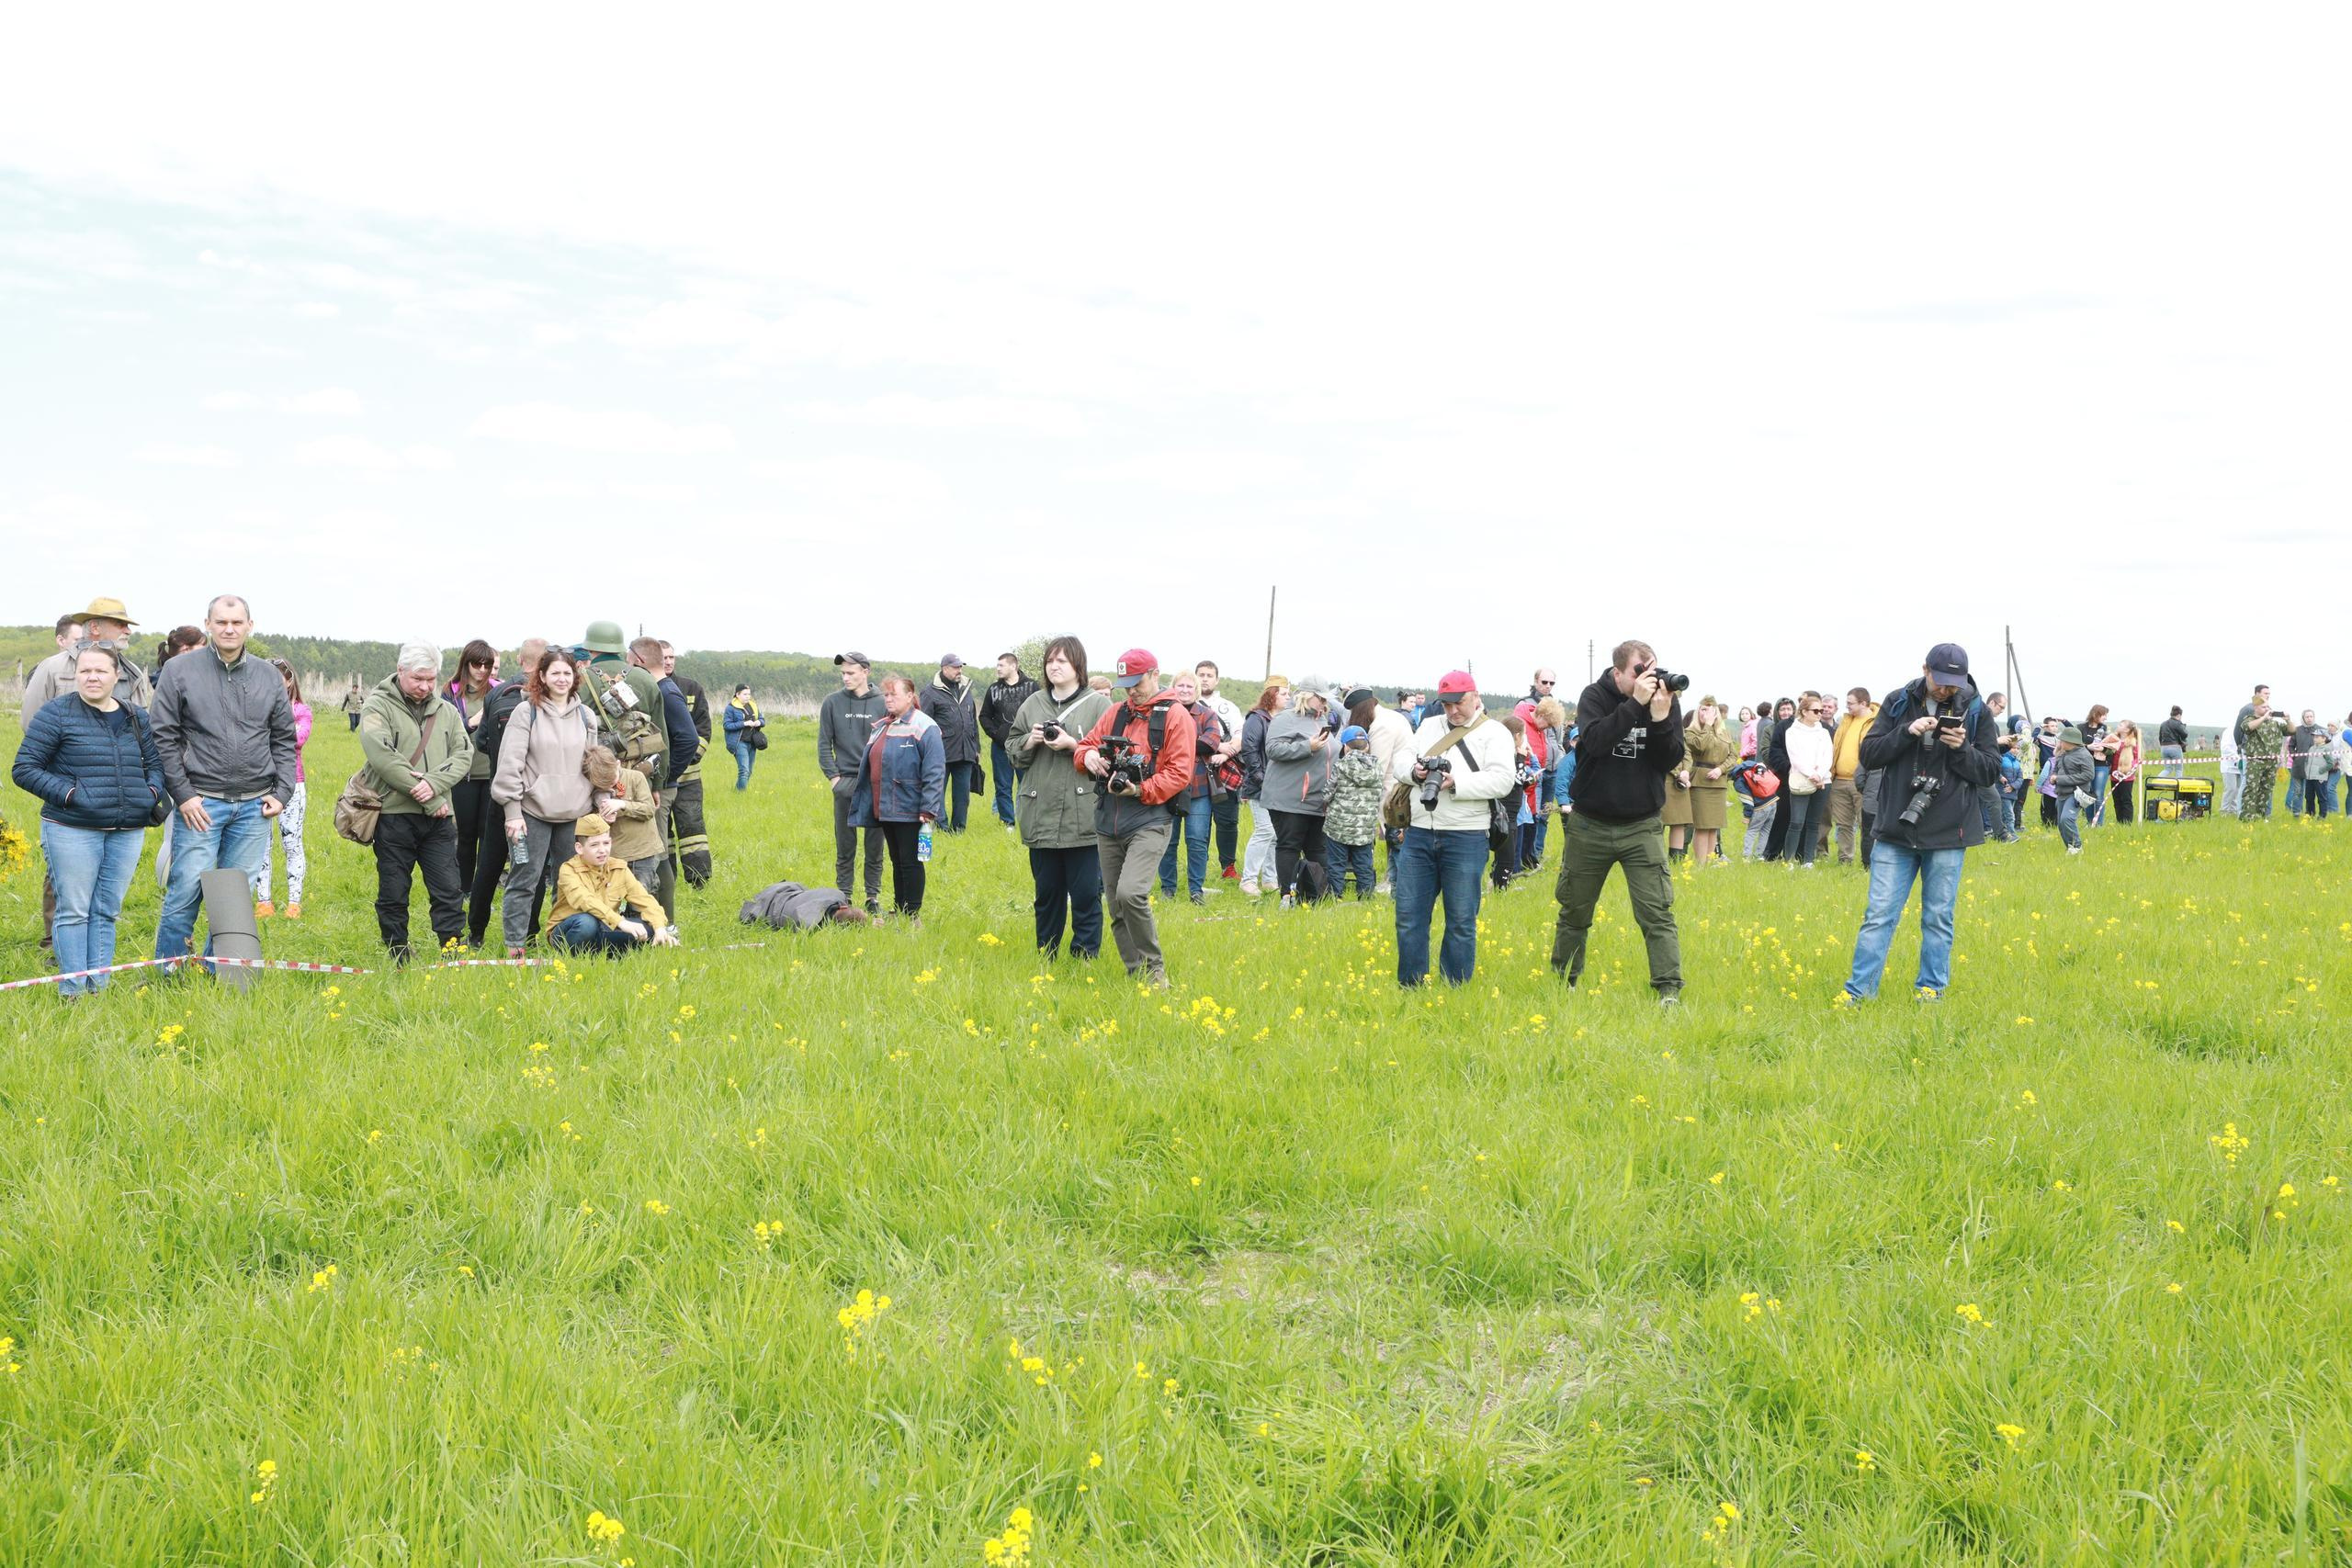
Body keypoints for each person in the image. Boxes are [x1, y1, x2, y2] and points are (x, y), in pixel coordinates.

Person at [1838, 643, 2000, 1003]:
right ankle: (1859, 994)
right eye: (1940, 680)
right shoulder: (1898, 701)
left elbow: (1990, 772)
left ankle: (1930, 992)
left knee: (1938, 918)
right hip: (1895, 829)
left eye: (1953, 683)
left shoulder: (1976, 709)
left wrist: (1961, 748)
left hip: (1949, 832)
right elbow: (1869, 755)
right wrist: (1906, 732)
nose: (1946, 689)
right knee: (1878, 915)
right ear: (1925, 669)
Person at [149, 595, 298, 966]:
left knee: (235, 897)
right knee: (185, 888)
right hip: (201, 802)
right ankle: (170, 971)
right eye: (221, 622)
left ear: (250, 626)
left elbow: (283, 738)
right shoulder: (179, 671)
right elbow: (163, 736)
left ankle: (220, 971)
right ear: (208, 625)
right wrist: (184, 795)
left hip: (255, 805)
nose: (229, 629)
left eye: (236, 622)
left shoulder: (268, 676)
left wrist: (282, 792)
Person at [11, 646, 166, 996]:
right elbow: (24, 769)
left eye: (100, 671)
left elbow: (155, 764)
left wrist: (150, 793)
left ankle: (98, 987)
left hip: (126, 830)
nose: (92, 677)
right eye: (85, 671)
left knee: (107, 910)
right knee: (74, 911)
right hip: (72, 829)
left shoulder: (135, 716)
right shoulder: (57, 714)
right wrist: (71, 795)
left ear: (116, 676)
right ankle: (73, 990)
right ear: (76, 675)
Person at [1552, 641, 1684, 1004]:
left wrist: (1660, 718)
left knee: (1656, 911)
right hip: (1590, 823)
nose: (1648, 679)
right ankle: (1564, 982)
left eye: (1652, 670)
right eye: (1639, 672)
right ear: (1618, 673)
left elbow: (1669, 759)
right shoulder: (1594, 696)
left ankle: (1669, 989)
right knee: (1575, 909)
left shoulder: (1665, 700)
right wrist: (1635, 705)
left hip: (1642, 825)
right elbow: (1595, 742)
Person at [1074, 649, 1195, 987]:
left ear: (1155, 675)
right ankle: (1136, 973)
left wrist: (1139, 789)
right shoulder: (1115, 712)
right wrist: (1089, 757)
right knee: (1115, 904)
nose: (1131, 690)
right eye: (1125, 684)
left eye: (1137, 682)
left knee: (1131, 894)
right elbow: (1084, 746)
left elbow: (1180, 772)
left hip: (1150, 817)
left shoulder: (1175, 716)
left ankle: (1155, 971)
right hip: (1108, 819)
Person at [1391, 670, 1516, 986]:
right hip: (1419, 832)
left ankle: (1454, 988)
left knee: (1461, 919)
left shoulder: (1495, 732)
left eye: (1459, 702)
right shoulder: (1429, 725)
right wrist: (1416, 773)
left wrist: (1456, 782)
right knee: (1408, 917)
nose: (1452, 710)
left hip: (1466, 835)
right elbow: (1400, 760)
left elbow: (1503, 780)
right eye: (1446, 704)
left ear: (1475, 697)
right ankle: (1410, 986)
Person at [357, 642, 474, 961]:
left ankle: (453, 953)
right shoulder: (377, 707)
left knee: (448, 890)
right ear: (400, 671)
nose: (424, 686)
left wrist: (434, 786)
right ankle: (398, 954)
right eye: (417, 679)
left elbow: (463, 754)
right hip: (394, 817)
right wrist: (429, 798)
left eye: (430, 679)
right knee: (394, 891)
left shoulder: (447, 711)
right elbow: (384, 758)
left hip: (439, 820)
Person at [1006, 636, 1113, 960]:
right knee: (1047, 894)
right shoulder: (1033, 703)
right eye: (1050, 661)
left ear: (1078, 665)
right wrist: (1031, 740)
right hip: (1040, 813)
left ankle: (1085, 958)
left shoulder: (1098, 705)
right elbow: (1012, 748)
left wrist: (1073, 745)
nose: (1054, 666)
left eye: (1062, 661)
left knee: (1085, 895)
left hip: (1083, 816)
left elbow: (1110, 758)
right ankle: (1046, 955)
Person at [491, 648, 603, 956]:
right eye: (555, 673)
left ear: (575, 676)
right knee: (524, 879)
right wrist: (512, 812)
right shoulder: (526, 712)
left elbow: (595, 765)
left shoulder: (586, 715)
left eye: (567, 673)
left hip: (576, 813)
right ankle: (516, 945)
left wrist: (602, 800)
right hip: (531, 813)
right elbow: (510, 763)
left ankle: (563, 942)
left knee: (569, 883)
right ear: (542, 676)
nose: (562, 679)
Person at [463, 637, 548, 947]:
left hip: (499, 794)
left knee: (488, 865)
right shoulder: (548, 698)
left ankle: (476, 932)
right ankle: (529, 932)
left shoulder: (497, 693)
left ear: (520, 660)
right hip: (534, 798)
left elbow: (482, 741)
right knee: (531, 868)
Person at [850, 675, 946, 925]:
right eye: (886, 695)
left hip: (910, 807)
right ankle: (900, 909)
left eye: (894, 694)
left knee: (910, 862)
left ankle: (912, 914)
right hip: (886, 805)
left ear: (910, 696)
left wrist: (928, 807)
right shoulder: (885, 725)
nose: (888, 699)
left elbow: (935, 770)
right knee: (897, 860)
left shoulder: (925, 726)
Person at [819, 652, 888, 913]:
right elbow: (824, 743)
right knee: (845, 844)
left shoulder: (883, 702)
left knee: (875, 844)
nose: (845, 678)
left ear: (865, 672)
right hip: (845, 782)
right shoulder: (832, 702)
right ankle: (844, 896)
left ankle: (872, 896)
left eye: (851, 673)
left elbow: (891, 741)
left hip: (876, 783)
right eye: (843, 673)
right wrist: (834, 778)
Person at [548, 816, 677, 955]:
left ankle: (598, 955)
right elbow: (585, 900)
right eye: (594, 845)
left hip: (605, 926)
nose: (602, 850)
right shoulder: (568, 870)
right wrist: (621, 922)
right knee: (587, 923)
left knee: (648, 931)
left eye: (606, 843)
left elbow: (645, 900)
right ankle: (572, 955)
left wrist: (659, 927)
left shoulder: (619, 868)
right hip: (570, 929)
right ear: (579, 848)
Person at [639, 637, 706, 901]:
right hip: (666, 779)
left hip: (684, 776)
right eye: (664, 657)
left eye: (671, 657)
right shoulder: (652, 688)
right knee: (662, 837)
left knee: (692, 830)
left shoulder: (688, 688)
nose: (668, 662)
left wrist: (678, 766)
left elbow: (700, 733)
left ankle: (699, 878)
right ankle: (668, 884)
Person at [1261, 687, 1339, 904]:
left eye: (1326, 699)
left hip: (1319, 800)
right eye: (1320, 698)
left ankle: (1319, 896)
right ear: (1306, 695)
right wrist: (1307, 746)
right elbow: (1273, 749)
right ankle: (1288, 896)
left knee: (1318, 848)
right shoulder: (1286, 718)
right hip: (1289, 799)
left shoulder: (1322, 719)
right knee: (1290, 845)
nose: (1324, 703)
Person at [247, 658, 311, 919]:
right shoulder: (254, 708)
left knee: (292, 842)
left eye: (277, 678)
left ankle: (294, 902)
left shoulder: (301, 710)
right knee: (261, 844)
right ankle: (264, 902)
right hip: (261, 783)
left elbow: (297, 739)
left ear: (289, 681)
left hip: (292, 782)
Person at [1156, 671, 1226, 904]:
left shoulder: (1207, 714)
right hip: (1167, 787)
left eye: (1189, 686)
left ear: (1196, 690)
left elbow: (1211, 743)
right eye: (1180, 685)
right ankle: (1168, 889)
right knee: (1168, 841)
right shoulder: (1162, 713)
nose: (1185, 690)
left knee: (1197, 841)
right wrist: (1190, 744)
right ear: (1173, 688)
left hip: (1198, 788)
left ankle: (1196, 890)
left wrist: (1175, 744)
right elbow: (1155, 744)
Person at [22, 598, 153, 714]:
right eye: (120, 624)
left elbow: (140, 725)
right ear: (95, 628)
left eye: (127, 626)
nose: (128, 631)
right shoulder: (52, 667)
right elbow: (32, 722)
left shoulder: (132, 672)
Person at [444, 640, 501, 892]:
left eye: (487, 665)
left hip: (492, 774)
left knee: (487, 836)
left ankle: (482, 890)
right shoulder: (451, 692)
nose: (482, 670)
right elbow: (447, 732)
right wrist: (471, 722)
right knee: (466, 835)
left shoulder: (499, 690)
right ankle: (464, 888)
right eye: (477, 664)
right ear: (466, 664)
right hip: (463, 775)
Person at [1237, 678, 1290, 896]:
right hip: (1260, 784)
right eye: (1284, 693)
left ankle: (1269, 879)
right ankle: (1248, 880)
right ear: (1272, 694)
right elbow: (1249, 749)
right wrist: (1260, 778)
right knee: (1265, 830)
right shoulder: (1256, 718)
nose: (1288, 697)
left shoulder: (1282, 719)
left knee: (1276, 834)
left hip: (1279, 785)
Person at [918, 654, 982, 832]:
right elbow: (924, 723)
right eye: (955, 667)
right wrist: (925, 751)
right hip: (940, 752)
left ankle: (959, 829)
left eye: (960, 667)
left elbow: (972, 720)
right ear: (944, 668)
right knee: (937, 793)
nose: (959, 670)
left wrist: (976, 747)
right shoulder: (930, 692)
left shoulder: (966, 689)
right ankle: (942, 828)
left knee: (963, 796)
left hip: (966, 750)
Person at [1195, 662, 1247, 880]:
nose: (1205, 679)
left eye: (1209, 675)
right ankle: (1198, 869)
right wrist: (1217, 747)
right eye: (1201, 675)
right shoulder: (1184, 705)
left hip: (1223, 770)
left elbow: (1240, 735)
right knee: (1198, 824)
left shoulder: (1228, 707)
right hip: (1195, 770)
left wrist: (1225, 754)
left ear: (1217, 680)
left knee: (1227, 821)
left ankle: (1228, 867)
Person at [587, 745, 663, 887]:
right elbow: (589, 822)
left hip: (643, 854)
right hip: (614, 856)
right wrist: (602, 819)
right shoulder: (594, 789)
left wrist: (622, 804)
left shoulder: (636, 777)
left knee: (641, 895)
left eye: (612, 779)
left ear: (618, 764)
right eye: (604, 784)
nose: (610, 785)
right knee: (611, 896)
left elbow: (649, 809)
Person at [979, 652, 1039, 829]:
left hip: (1026, 745)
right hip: (1001, 747)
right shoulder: (993, 689)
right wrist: (996, 734)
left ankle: (1028, 820)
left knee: (1028, 784)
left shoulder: (1031, 687)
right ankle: (1008, 823)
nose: (997, 669)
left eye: (1001, 665)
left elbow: (1041, 711)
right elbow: (984, 716)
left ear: (1013, 666)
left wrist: (1032, 736)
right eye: (997, 665)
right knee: (1003, 785)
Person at [1321, 726, 1382, 899]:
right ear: (1367, 746)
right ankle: (1366, 897)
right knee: (1364, 864)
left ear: (1345, 747)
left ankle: (1335, 897)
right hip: (1364, 828)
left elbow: (1327, 794)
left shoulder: (1341, 765)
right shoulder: (1376, 767)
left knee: (1336, 864)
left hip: (1338, 827)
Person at [1674, 696, 1736, 865]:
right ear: (1698, 712)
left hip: (1719, 783)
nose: (1707, 713)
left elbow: (1733, 756)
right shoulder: (1691, 731)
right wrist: (1708, 725)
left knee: (1713, 826)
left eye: (1711, 710)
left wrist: (1720, 769)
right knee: (1702, 826)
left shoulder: (1724, 732)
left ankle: (1709, 863)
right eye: (1703, 709)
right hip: (1700, 782)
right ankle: (1701, 865)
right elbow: (1700, 746)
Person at [1776, 694, 1834, 869]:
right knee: (1796, 822)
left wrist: (1820, 774)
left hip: (1823, 781)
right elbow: (1796, 758)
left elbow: (1828, 756)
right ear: (1804, 711)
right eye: (1816, 711)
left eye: (1821, 710)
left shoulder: (1824, 732)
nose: (1820, 714)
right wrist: (1812, 775)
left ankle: (1808, 860)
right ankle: (1789, 860)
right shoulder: (1792, 732)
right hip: (1801, 780)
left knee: (1814, 823)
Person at [1827, 687, 1877, 864]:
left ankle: (1869, 862)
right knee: (1843, 824)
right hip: (1840, 780)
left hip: (1864, 783)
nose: (1847, 706)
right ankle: (1845, 861)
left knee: (1867, 824)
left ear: (1863, 703)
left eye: (1850, 703)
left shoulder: (1877, 722)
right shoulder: (1846, 721)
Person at [739, 880, 870, 931]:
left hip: (777, 895)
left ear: (844, 907)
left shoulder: (838, 895)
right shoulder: (808, 926)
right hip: (778, 898)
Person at [2240, 702, 2289, 821]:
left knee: (2266, 790)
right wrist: (2263, 718)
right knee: (2252, 788)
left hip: (2271, 762)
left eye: (2268, 707)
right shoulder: (2250, 719)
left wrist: (2289, 720)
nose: (2267, 709)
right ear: (2256, 708)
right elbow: (2247, 728)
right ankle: (2247, 817)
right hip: (2256, 761)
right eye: (2264, 707)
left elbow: (2291, 731)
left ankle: (2260, 816)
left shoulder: (2275, 723)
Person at [2050, 727, 2096, 852]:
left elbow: (2088, 775)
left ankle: (2077, 847)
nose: (2060, 742)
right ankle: (2070, 848)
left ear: (2070, 741)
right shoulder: (2062, 753)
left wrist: (2060, 779)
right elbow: (2056, 769)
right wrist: (2053, 777)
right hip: (2061, 792)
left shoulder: (2085, 755)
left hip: (2076, 794)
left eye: (2062, 740)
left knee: (2067, 819)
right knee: (2061, 824)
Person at [722, 684, 765, 789]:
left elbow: (762, 720)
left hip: (752, 742)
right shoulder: (731, 708)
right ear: (737, 695)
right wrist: (744, 723)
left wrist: (759, 722)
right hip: (739, 743)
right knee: (744, 771)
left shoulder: (753, 706)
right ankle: (740, 794)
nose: (748, 696)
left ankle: (737, 792)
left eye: (749, 694)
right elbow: (727, 725)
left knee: (749, 771)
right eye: (745, 694)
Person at [2287, 709, 2324, 817]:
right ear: (2303, 718)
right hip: (2299, 766)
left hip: (2315, 766)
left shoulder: (2321, 730)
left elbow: (2326, 746)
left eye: (2311, 716)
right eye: (2307, 717)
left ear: (2314, 717)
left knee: (2311, 792)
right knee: (2298, 790)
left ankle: (2311, 813)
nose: (2309, 718)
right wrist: (2295, 757)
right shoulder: (2297, 730)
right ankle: (2296, 812)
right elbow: (2291, 746)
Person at [2298, 715, 2335, 818]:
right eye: (2314, 736)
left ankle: (2322, 815)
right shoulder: (2311, 749)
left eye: (2317, 737)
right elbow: (2307, 761)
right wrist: (2306, 770)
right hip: (2309, 777)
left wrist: (2321, 770)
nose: (2315, 738)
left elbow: (2331, 763)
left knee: (2321, 797)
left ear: (2324, 738)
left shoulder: (2326, 749)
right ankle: (2310, 814)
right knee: (2309, 797)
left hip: (2320, 778)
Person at [2108, 721, 2143, 825]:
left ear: (2126, 730)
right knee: (2117, 800)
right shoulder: (2114, 740)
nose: (2118, 726)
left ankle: (2127, 823)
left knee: (2126, 799)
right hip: (2114, 775)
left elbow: (2137, 758)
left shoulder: (2133, 743)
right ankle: (2120, 821)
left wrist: (2131, 768)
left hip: (2126, 777)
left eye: (2121, 725)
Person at [2219, 718, 2245, 817]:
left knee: (2237, 790)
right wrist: (2237, 758)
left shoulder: (2242, 730)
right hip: (2228, 766)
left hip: (2239, 766)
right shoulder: (2229, 731)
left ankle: (2233, 811)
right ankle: (2224, 811)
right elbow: (2225, 748)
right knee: (2231, 789)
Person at [2158, 706, 2188, 780]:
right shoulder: (2177, 723)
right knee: (2179, 769)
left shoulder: (2163, 724)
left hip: (2164, 748)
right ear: (2179, 715)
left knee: (2167, 769)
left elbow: (2160, 738)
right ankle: (2178, 785)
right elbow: (2185, 734)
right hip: (2175, 747)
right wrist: (2182, 726)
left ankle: (2157, 780)